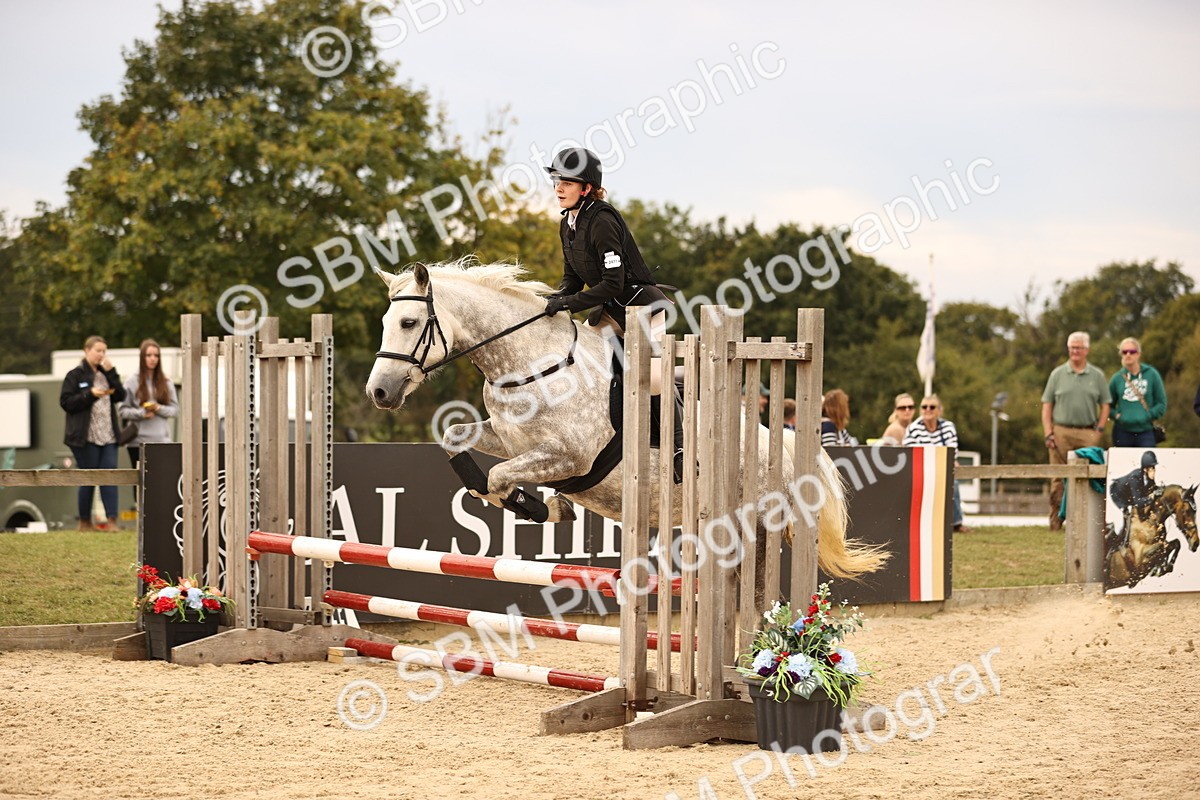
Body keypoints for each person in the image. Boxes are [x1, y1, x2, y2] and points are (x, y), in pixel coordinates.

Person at [541, 147, 683, 480]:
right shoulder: (568, 224)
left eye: (567, 182)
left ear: (586, 188)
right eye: (557, 181)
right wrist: (552, 298)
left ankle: (678, 449)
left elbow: (612, 283)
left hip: (641, 308)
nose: (558, 188)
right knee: (579, 358)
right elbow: (572, 279)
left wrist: (570, 304)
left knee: (654, 378)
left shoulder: (602, 220)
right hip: (609, 311)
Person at [1041, 331, 1109, 531]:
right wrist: (1048, 432)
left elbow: (1105, 404)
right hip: (1061, 431)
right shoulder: (1057, 374)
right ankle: (1056, 522)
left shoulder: (1097, 375)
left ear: (1086, 350)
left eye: (1078, 347)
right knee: (1058, 478)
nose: (1074, 351)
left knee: (1091, 477)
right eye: (1071, 347)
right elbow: (1046, 405)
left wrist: (1099, 430)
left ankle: (1090, 523)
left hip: (1088, 433)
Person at [59, 335, 126, 530]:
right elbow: (66, 403)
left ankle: (112, 520)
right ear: (86, 351)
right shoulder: (75, 375)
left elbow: (121, 395)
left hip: (109, 435)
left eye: (104, 351)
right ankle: (85, 522)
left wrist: (112, 372)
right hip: (85, 437)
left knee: (109, 476)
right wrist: (89, 395)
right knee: (88, 478)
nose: (101, 355)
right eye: (98, 350)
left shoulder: (106, 374)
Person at [118, 339, 179, 503]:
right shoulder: (132, 381)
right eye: (149, 355)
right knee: (140, 483)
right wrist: (141, 413)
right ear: (142, 357)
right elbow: (122, 410)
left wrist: (158, 408)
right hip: (138, 443)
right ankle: (141, 524)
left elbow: (175, 410)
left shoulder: (166, 382)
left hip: (161, 441)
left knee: (161, 483)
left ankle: (159, 523)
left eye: (156, 355)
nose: (153, 359)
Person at [903, 394, 970, 532]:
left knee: (954, 483)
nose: (928, 410)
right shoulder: (914, 428)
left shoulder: (948, 427)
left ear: (939, 410)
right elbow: (910, 453)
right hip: (920, 468)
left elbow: (952, 452)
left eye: (932, 407)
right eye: (924, 407)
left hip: (942, 467)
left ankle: (956, 523)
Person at [1108, 337, 1166, 448]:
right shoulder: (1117, 378)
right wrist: (1117, 416)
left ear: (1138, 354)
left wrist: (1148, 415)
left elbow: (1161, 403)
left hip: (1146, 431)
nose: (1128, 355)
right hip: (1122, 431)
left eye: (1132, 352)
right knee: (1123, 464)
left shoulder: (1152, 374)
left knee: (1148, 463)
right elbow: (1107, 405)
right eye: (1124, 352)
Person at [1108, 450, 1160, 547]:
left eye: (1154, 468)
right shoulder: (1135, 478)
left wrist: (1160, 490)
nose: (1154, 471)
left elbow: (1153, 489)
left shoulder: (1148, 478)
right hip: (1118, 495)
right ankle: (1116, 544)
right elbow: (1138, 502)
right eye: (1152, 468)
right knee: (1125, 517)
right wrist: (1151, 498)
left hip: (1130, 495)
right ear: (1145, 469)